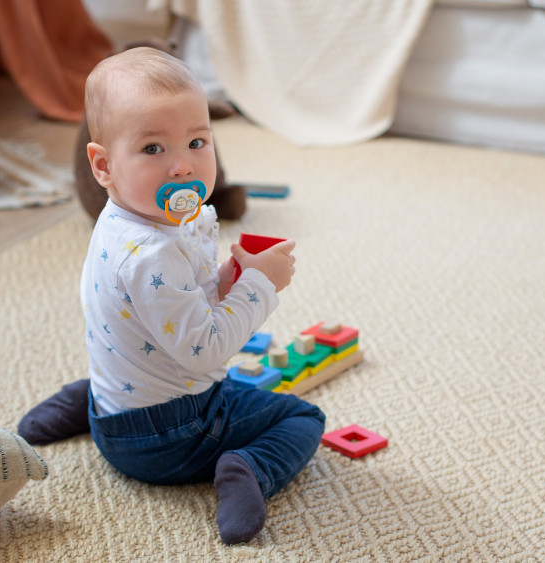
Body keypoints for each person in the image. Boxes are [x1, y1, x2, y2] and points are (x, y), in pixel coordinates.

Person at [18, 47, 325, 544]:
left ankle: (92, 401)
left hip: (121, 414)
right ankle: (247, 470)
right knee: (303, 418)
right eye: (153, 149)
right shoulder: (150, 253)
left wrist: (229, 276)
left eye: (197, 141)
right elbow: (204, 347)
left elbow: (173, 303)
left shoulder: (129, 215)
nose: (183, 167)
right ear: (103, 165)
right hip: (172, 436)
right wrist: (260, 285)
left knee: (130, 342)